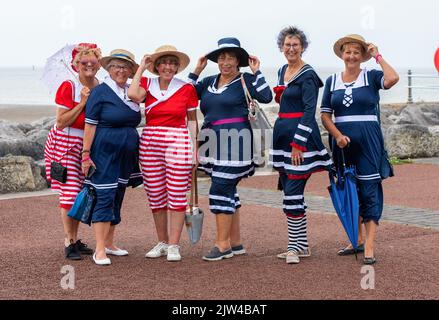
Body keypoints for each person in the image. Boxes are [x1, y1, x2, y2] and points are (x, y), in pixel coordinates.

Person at [188, 37, 273, 261]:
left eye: (231, 57)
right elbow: (185, 95)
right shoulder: (207, 82)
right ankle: (235, 243)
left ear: (239, 61)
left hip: (237, 141)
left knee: (220, 188)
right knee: (227, 190)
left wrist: (258, 72)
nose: (225, 62)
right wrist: (196, 70)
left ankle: (222, 245)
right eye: (222, 57)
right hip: (210, 141)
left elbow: (266, 96)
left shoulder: (245, 80)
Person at [321, 34, 399, 265]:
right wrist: (337, 136)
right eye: (348, 52)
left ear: (362, 56)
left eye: (357, 52)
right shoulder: (332, 80)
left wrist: (378, 56)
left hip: (368, 140)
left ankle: (370, 246)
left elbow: (393, 78)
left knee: (369, 189)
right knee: (348, 188)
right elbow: (325, 115)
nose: (352, 56)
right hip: (342, 142)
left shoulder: (372, 75)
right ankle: (355, 240)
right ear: (342, 55)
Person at [128, 45, 198, 262]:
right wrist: (141, 67)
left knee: (177, 194)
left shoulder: (186, 88)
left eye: (172, 63)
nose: (168, 67)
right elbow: (132, 94)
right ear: (156, 66)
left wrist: (195, 150)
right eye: (164, 63)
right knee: (156, 195)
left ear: (177, 67)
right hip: (150, 141)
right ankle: (162, 241)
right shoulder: (147, 84)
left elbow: (193, 121)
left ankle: (174, 245)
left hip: (178, 140)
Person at [270, 27, 332, 264]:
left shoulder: (307, 75)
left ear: (303, 47)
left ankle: (293, 248)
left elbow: (309, 111)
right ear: (281, 47)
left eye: (296, 45)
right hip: (281, 137)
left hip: (299, 140)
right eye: (287, 45)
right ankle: (302, 245)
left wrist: (299, 143)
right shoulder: (281, 71)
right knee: (289, 192)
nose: (291, 49)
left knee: (293, 194)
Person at [81, 49, 142, 266]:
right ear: (108, 68)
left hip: (126, 154)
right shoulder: (100, 92)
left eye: (126, 67)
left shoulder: (131, 91)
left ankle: (109, 243)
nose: (121, 70)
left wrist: (142, 67)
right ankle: (99, 249)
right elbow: (90, 125)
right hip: (104, 151)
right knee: (104, 195)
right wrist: (85, 155)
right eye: (116, 66)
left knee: (118, 195)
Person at [44, 43, 101, 260]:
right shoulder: (69, 85)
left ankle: (75, 239)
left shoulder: (99, 85)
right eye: (83, 61)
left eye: (92, 61)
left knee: (80, 192)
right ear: (75, 65)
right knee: (69, 193)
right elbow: (60, 122)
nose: (88, 65)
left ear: (98, 64)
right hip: (65, 142)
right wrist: (83, 102)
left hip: (86, 144)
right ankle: (68, 241)